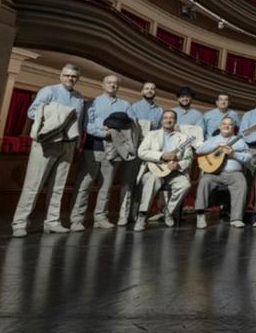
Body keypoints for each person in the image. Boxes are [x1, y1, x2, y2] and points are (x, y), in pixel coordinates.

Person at [11, 64, 84, 237]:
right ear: (61, 75)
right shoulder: (48, 91)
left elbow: (78, 122)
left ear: (77, 79)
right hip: (47, 143)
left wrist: (76, 143)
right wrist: (60, 114)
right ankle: (20, 223)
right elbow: (32, 112)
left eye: (74, 76)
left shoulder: (79, 97)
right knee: (33, 184)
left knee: (59, 185)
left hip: (67, 144)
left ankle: (52, 221)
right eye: (67, 75)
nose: (70, 79)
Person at [69, 74, 135, 231]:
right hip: (93, 147)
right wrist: (103, 132)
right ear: (102, 85)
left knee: (106, 185)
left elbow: (130, 125)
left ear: (118, 86)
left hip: (115, 149)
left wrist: (114, 131)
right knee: (84, 184)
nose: (112, 85)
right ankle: (77, 218)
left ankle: (100, 217)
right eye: (109, 83)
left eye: (115, 83)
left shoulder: (125, 105)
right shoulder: (93, 102)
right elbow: (87, 125)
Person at [133, 110, 193, 232]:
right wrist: (162, 155)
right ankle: (142, 216)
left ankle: (169, 212)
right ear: (162, 120)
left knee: (185, 185)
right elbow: (141, 152)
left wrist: (178, 165)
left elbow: (188, 157)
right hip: (154, 170)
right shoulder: (152, 134)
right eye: (165, 118)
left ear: (175, 121)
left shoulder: (184, 138)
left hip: (174, 172)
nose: (168, 120)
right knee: (151, 181)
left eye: (171, 118)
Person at [119, 81, 163, 226]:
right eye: (147, 88)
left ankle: (136, 214)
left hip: (151, 152)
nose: (149, 91)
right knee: (129, 182)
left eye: (152, 88)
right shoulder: (134, 107)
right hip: (136, 149)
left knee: (144, 184)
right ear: (141, 91)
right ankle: (123, 215)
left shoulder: (159, 110)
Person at [194, 117, 250, 229]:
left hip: (234, 173)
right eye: (224, 124)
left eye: (230, 124)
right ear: (220, 126)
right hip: (214, 173)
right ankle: (200, 215)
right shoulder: (212, 139)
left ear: (233, 127)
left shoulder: (240, 141)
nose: (226, 126)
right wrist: (216, 145)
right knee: (204, 181)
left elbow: (248, 158)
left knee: (241, 182)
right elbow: (198, 150)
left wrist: (234, 154)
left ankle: (236, 218)